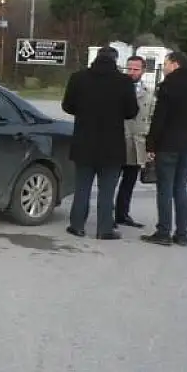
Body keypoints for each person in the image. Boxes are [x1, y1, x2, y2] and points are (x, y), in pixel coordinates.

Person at [62, 46, 139, 240]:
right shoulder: (124, 82)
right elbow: (132, 112)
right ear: (115, 60)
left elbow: (67, 106)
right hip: (112, 144)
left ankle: (77, 225)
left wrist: (83, 111)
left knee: (82, 187)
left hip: (84, 141)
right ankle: (104, 228)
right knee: (107, 190)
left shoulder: (78, 78)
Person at [142, 51, 187, 247]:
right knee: (180, 188)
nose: (164, 67)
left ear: (175, 64)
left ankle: (163, 231)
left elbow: (159, 118)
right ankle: (181, 234)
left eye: (166, 64)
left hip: (167, 144)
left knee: (165, 188)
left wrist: (151, 144)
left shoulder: (168, 87)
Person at [114, 56, 155, 229]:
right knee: (111, 180)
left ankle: (122, 213)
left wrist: (151, 146)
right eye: (129, 68)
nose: (131, 72)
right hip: (118, 140)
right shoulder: (117, 88)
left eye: (136, 69)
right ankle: (106, 215)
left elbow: (152, 118)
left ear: (143, 70)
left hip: (138, 142)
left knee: (129, 181)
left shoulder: (149, 92)